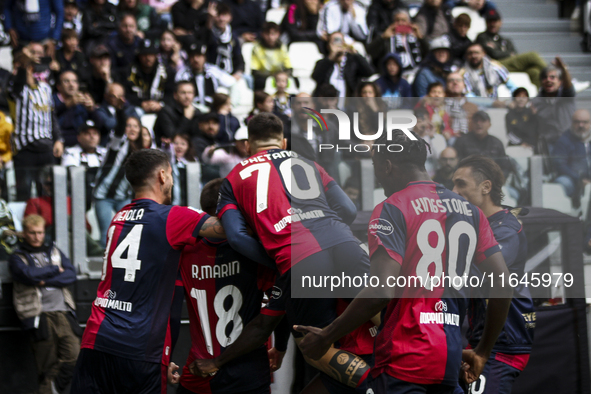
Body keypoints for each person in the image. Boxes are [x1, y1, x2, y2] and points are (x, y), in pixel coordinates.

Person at [294, 129, 512, 394]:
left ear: (386, 165)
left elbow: (381, 290)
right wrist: (482, 352)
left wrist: (326, 336)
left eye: (375, 166)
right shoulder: (471, 211)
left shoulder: (392, 207)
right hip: (449, 355)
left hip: (404, 358)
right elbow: (503, 284)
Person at [190, 113, 373, 393]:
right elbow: (348, 210)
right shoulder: (309, 163)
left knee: (314, 344)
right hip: (345, 243)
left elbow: (237, 238)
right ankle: (407, 376)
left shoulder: (234, 176)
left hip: (300, 258)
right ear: (284, 142)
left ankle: (377, 385)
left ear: (249, 145)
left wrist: (277, 258)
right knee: (384, 313)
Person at [70, 149, 227, 393]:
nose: (172, 181)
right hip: (140, 348)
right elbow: (229, 230)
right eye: (172, 174)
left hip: (96, 341)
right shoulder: (173, 217)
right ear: (162, 175)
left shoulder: (118, 217)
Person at [176, 178, 280, 394]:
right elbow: (277, 310)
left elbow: (167, 310)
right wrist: (281, 345)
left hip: (198, 371)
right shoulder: (257, 251)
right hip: (247, 371)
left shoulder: (184, 251)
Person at [452, 155, 534, 394]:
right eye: (453, 184)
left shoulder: (505, 228)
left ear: (486, 187)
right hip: (484, 341)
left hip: (503, 343)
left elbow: (478, 273)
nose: (454, 191)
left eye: (461, 184)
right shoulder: (480, 224)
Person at [9, 214, 80, 394]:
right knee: (46, 364)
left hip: (63, 312)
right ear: (24, 233)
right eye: (32, 233)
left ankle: (51, 387)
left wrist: (43, 280)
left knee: (74, 355)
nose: (37, 237)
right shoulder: (17, 257)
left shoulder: (54, 251)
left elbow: (70, 275)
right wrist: (55, 269)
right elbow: (27, 274)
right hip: (39, 316)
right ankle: (49, 388)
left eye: (40, 232)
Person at [9, 50, 64, 201]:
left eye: (31, 67)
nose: (30, 70)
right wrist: (23, 64)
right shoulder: (16, 89)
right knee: (24, 191)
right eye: (29, 67)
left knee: (48, 191)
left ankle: (48, 223)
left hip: (46, 148)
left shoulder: (45, 88)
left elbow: (51, 115)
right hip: (25, 149)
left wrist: (58, 139)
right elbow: (18, 83)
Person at [92, 105, 142, 247]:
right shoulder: (117, 143)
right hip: (103, 196)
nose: (132, 129)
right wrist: (121, 111)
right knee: (107, 234)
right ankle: (104, 267)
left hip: (123, 197)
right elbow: (119, 129)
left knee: (128, 234)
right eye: (129, 126)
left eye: (136, 126)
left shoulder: (142, 150)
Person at [475, 9, 546, 88]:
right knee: (532, 56)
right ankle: (554, 74)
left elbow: (514, 54)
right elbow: (495, 54)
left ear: (500, 22)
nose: (492, 24)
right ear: (486, 22)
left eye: (495, 21)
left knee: (534, 71)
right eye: (490, 21)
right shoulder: (482, 37)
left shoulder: (505, 40)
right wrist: (508, 53)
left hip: (507, 66)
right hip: (493, 65)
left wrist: (500, 52)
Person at [312, 32, 374, 101]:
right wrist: (331, 57)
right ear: (328, 46)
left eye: (340, 41)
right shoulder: (323, 62)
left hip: (349, 104)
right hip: (327, 104)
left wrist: (355, 53)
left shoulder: (353, 62)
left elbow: (369, 72)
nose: (338, 45)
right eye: (334, 42)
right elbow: (316, 77)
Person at [175, 40, 237, 107]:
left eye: (199, 56)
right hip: (190, 110)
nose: (196, 59)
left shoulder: (213, 71)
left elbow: (232, 83)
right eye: (192, 56)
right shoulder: (183, 74)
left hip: (212, 111)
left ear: (205, 57)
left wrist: (230, 105)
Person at [530, 59, 576, 146]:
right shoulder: (536, 102)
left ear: (560, 82)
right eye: (544, 77)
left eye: (552, 77)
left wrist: (563, 70)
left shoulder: (566, 97)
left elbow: (568, 86)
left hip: (570, 141)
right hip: (549, 144)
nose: (548, 80)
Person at [552, 109, 591, 208]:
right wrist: (580, 180)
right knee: (562, 182)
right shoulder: (563, 140)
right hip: (572, 179)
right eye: (577, 122)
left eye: (585, 122)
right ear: (572, 123)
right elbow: (560, 165)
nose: (581, 125)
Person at [453, 110, 512, 176]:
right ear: (471, 124)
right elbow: (455, 165)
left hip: (491, 180)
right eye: (476, 121)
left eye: (483, 121)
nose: (479, 123)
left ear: (489, 125)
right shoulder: (462, 141)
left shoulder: (497, 143)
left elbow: (505, 167)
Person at [124, 38, 174, 114]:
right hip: (136, 109)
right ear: (139, 56)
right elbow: (126, 94)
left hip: (160, 109)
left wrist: (160, 104)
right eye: (145, 55)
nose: (148, 58)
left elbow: (171, 94)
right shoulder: (129, 72)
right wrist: (140, 103)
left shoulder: (166, 72)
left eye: (151, 54)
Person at [201, 2, 246, 80]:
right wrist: (210, 19)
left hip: (230, 74)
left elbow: (239, 60)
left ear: (230, 17)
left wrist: (238, 73)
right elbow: (207, 41)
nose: (221, 19)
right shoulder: (209, 33)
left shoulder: (233, 36)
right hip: (212, 73)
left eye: (224, 15)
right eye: (218, 15)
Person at [54, 71, 97, 147]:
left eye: (74, 81)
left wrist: (91, 110)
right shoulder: (52, 100)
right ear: (58, 86)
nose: (71, 85)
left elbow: (98, 126)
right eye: (66, 81)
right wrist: (66, 105)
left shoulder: (82, 101)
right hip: (59, 143)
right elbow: (51, 120)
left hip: (82, 145)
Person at [153, 81, 202, 146]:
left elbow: (198, 137)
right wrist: (186, 118)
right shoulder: (165, 111)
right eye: (183, 93)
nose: (187, 96)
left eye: (190, 93)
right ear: (175, 95)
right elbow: (173, 138)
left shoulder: (197, 112)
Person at [250, 22, 292, 91]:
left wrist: (284, 75)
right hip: (263, 76)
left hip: (279, 75)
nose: (270, 37)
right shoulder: (257, 48)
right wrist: (272, 76)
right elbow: (255, 70)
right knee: (259, 82)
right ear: (262, 34)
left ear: (278, 34)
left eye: (273, 34)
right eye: (267, 34)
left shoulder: (282, 47)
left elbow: (288, 66)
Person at [444, 71, 478, 138]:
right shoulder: (439, 104)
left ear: (464, 85)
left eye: (458, 81)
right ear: (446, 85)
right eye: (451, 81)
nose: (455, 83)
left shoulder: (473, 107)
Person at [170, 133, 196, 206]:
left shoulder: (192, 162)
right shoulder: (170, 161)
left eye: (183, 144)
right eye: (175, 143)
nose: (179, 146)